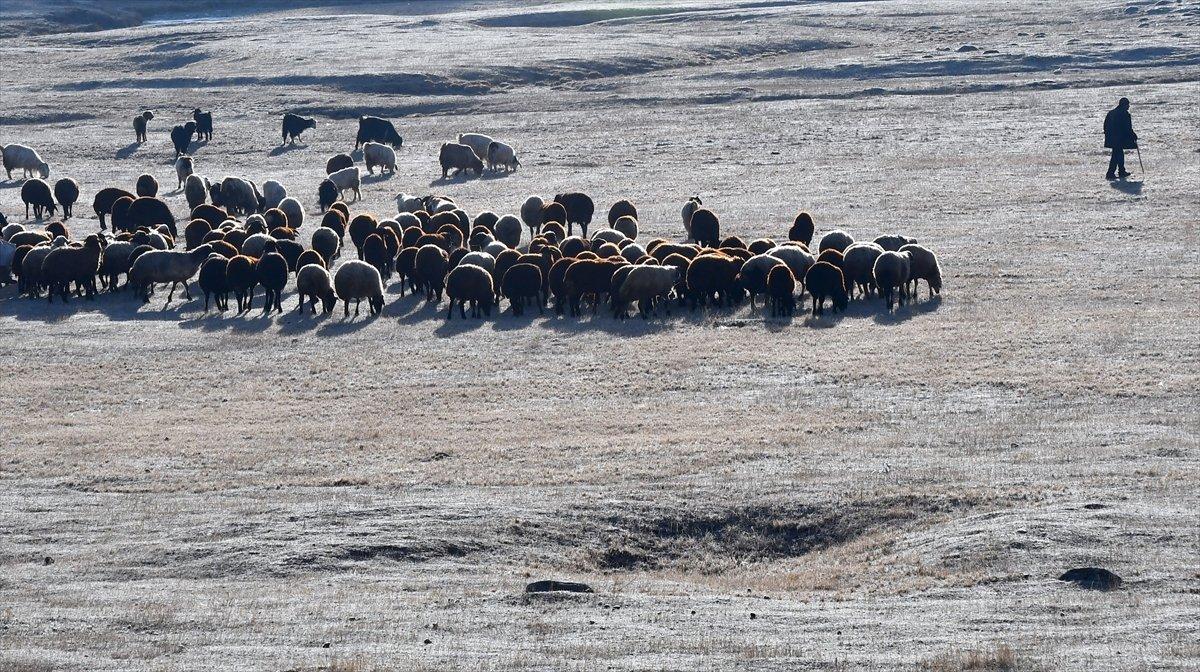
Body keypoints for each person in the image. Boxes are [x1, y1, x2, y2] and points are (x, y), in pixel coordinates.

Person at [1103, 98, 1137, 180]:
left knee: (1118, 154)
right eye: (1127, 105)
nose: (1128, 106)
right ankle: (1111, 173)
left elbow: (1105, 125)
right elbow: (1127, 128)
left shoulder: (1111, 113)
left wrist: (1108, 134)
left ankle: (1120, 171)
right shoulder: (1124, 114)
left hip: (1112, 137)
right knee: (1116, 155)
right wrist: (1133, 135)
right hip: (1119, 138)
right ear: (1124, 105)